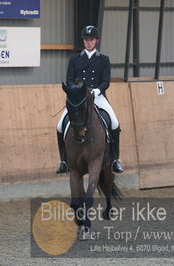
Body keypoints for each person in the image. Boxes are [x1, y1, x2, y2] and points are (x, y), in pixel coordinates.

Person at [56, 25, 124, 174]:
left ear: (96, 41)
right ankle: (63, 161)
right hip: (79, 99)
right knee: (60, 126)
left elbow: (106, 81)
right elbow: (69, 79)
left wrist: (97, 91)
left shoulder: (104, 59)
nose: (88, 42)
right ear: (83, 41)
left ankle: (115, 160)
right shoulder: (74, 59)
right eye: (86, 40)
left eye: (91, 39)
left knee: (114, 122)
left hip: (97, 96)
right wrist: (75, 90)